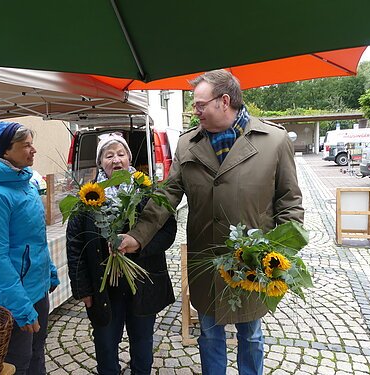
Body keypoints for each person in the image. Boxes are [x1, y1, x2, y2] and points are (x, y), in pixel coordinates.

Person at [119, 70, 304, 375]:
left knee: (251, 333)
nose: (196, 110)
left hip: (254, 262)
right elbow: (167, 195)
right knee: (209, 332)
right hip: (206, 260)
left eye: (201, 104)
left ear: (225, 101)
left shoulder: (274, 140)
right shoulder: (187, 144)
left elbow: (289, 201)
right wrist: (138, 236)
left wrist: (282, 254)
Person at [66, 133, 177, 375]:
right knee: (105, 343)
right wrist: (83, 290)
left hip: (142, 283)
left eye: (121, 154)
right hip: (103, 287)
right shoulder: (87, 199)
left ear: (129, 158)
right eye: (109, 155)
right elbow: (74, 247)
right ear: (100, 163)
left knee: (143, 341)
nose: (116, 160)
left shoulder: (147, 193)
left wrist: (139, 244)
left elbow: (168, 231)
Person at [0, 121, 60, 375]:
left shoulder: (27, 183)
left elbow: (36, 238)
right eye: (26, 146)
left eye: (32, 144)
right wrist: (20, 307)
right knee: (16, 361)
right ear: (5, 152)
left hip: (36, 288)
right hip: (13, 297)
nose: (33, 150)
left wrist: (49, 272)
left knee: (37, 350)